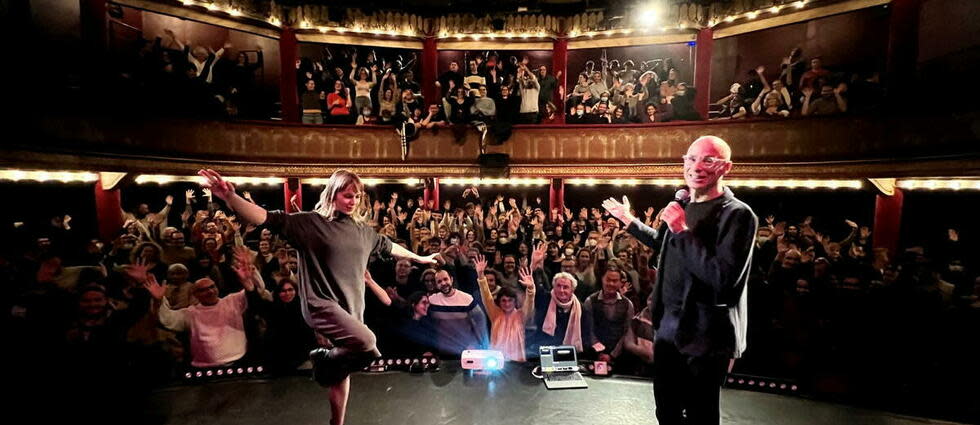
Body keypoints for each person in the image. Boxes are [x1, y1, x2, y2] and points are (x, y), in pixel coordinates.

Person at [197, 169, 438, 425]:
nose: (353, 201)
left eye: (357, 196)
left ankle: (337, 422)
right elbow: (265, 218)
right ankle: (323, 358)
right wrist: (230, 198)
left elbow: (389, 245)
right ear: (333, 194)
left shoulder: (363, 232)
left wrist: (419, 257)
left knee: (342, 371)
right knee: (368, 342)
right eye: (347, 195)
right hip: (320, 304)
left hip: (350, 309)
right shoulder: (309, 224)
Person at [603, 135, 757, 425]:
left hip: (705, 334)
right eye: (691, 158)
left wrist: (682, 230)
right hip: (668, 329)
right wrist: (630, 221)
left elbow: (723, 280)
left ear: (726, 167)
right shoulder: (682, 206)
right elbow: (664, 244)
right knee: (667, 411)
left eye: (708, 159)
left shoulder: (738, 215)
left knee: (700, 414)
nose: (697, 166)